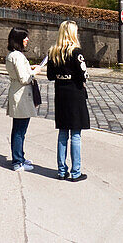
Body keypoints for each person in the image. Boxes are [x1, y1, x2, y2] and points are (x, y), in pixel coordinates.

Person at [47, 20, 90, 181]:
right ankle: (76, 172)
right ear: (73, 33)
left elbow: (50, 76)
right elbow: (84, 75)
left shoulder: (53, 52)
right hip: (75, 95)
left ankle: (61, 170)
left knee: (63, 133)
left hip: (61, 95)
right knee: (76, 134)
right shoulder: (76, 52)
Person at [5, 27, 42, 171]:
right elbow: (24, 78)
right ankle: (17, 161)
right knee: (20, 130)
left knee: (19, 129)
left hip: (17, 93)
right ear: (18, 39)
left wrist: (29, 68)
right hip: (21, 96)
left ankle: (19, 157)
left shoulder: (13, 55)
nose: (27, 39)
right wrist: (35, 72)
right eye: (25, 37)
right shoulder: (18, 56)